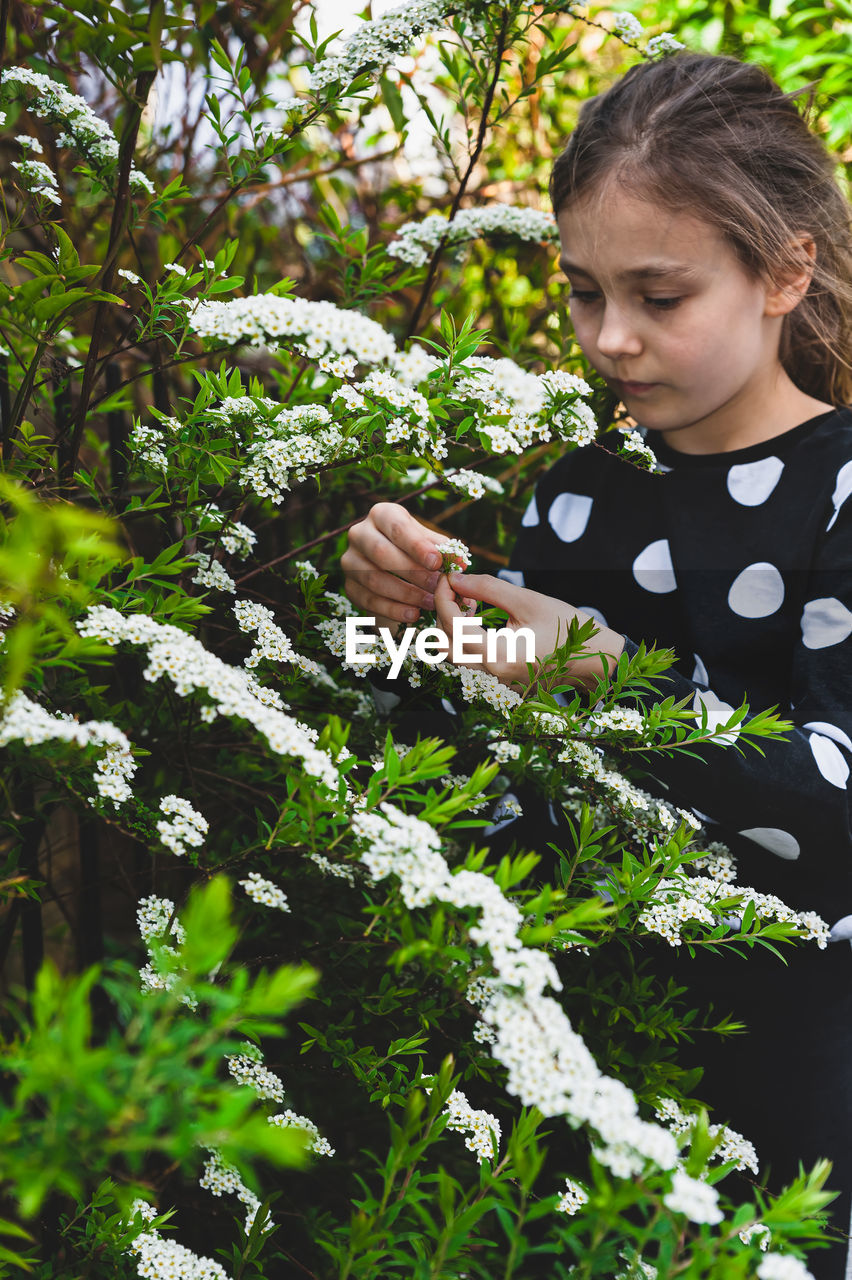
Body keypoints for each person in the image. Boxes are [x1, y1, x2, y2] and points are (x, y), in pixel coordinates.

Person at [342, 52, 852, 1277]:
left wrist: (609, 674)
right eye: (582, 292)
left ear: (786, 269)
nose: (610, 338)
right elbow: (468, 783)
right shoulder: (573, 497)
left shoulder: (841, 491)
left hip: (796, 1070)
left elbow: (836, 794)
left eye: (659, 295)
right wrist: (401, 623)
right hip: (572, 1046)